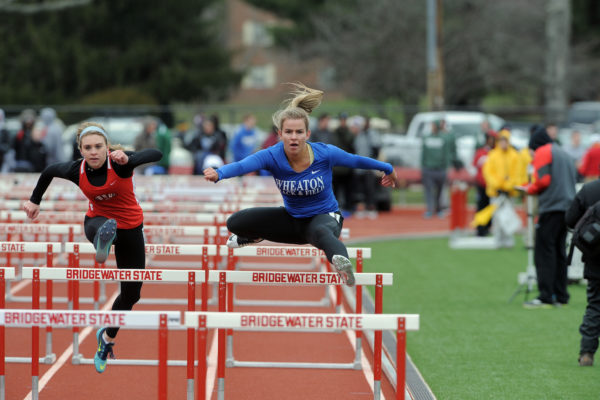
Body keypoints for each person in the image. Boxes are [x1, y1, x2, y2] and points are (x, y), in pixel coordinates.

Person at [203, 83, 400, 287]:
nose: (294, 137)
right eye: (289, 132)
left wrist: (387, 168)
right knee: (235, 223)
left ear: (307, 134)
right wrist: (220, 173)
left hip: (324, 219)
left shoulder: (325, 153)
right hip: (293, 221)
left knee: (321, 232)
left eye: (299, 132)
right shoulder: (272, 155)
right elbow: (244, 165)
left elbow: (356, 160)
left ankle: (343, 264)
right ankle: (256, 235)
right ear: (280, 134)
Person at [22, 121, 162, 373]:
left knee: (132, 294)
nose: (94, 151)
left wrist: (129, 156)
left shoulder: (120, 162)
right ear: (81, 150)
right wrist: (34, 201)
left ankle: (106, 338)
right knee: (102, 225)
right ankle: (103, 240)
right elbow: (49, 171)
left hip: (131, 229)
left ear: (107, 147)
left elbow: (156, 154)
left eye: (99, 146)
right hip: (97, 222)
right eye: (88, 148)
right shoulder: (76, 170)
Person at [519, 127, 576, 308]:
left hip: (551, 207)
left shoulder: (543, 151)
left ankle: (545, 295)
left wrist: (528, 189)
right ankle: (561, 295)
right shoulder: (565, 154)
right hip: (567, 208)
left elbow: (543, 180)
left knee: (544, 252)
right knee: (559, 252)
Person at [565, 178, 600, 366]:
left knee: (595, 305)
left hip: (595, 259)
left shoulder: (589, 189)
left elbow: (570, 219)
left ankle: (587, 353)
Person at [482, 129, 522, 247]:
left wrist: (508, 187)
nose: (503, 143)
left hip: (509, 193)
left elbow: (517, 174)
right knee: (497, 218)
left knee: (509, 216)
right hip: (496, 193)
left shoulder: (514, 155)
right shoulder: (493, 155)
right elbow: (489, 173)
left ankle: (508, 239)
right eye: (501, 141)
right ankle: (498, 239)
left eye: (505, 141)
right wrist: (498, 186)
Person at [420, 119, 451, 219]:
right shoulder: (426, 138)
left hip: (440, 169)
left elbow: (446, 154)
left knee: (439, 191)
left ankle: (439, 209)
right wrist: (423, 167)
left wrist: (445, 168)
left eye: (433, 125)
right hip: (428, 169)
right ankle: (429, 209)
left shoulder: (444, 139)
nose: (432, 127)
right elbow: (423, 154)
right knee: (429, 190)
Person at [472, 130, 497, 236]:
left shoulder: (496, 153)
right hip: (482, 185)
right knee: (481, 206)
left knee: (492, 207)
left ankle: (488, 227)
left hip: (493, 186)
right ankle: (480, 229)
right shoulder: (481, 152)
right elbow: (474, 167)